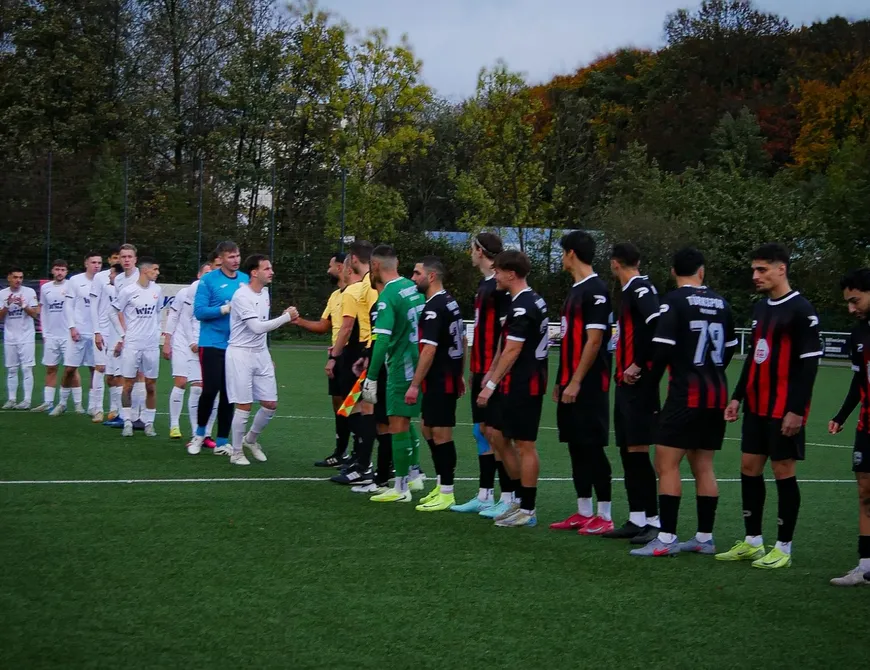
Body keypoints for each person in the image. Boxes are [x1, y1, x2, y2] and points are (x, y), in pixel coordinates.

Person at [717, 243, 822, 569]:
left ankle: (784, 547)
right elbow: (754, 358)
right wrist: (737, 396)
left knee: (782, 471)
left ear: (781, 269)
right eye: (754, 269)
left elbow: (809, 367)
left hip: (783, 409)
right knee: (749, 467)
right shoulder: (762, 308)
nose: (755, 276)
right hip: (757, 407)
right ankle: (753, 541)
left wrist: (796, 410)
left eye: (761, 269)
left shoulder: (802, 310)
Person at [629, 248, 738, 557]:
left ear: (674, 272)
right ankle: (704, 537)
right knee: (703, 465)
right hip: (715, 393)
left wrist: (648, 388)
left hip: (685, 395)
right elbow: (729, 350)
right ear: (701, 271)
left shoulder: (673, 302)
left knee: (666, 464)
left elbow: (661, 351)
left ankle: (666, 539)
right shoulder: (722, 303)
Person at [476, 250, 549, 528]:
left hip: (525, 383)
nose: (494, 275)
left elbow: (514, 349)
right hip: (513, 381)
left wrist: (491, 383)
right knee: (495, 433)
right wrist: (491, 374)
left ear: (511, 273)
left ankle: (527, 509)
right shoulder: (520, 301)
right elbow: (505, 344)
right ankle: (519, 499)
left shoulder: (524, 305)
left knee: (525, 444)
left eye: (498, 271)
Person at [550, 231, 614, 535]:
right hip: (570, 383)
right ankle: (583, 511)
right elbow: (569, 341)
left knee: (592, 447)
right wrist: (561, 381)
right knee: (575, 446)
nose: (562, 257)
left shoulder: (596, 290)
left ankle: (605, 514)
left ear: (572, 253)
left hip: (589, 385)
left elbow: (594, 340)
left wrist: (575, 381)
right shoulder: (576, 289)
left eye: (563, 252)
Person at [452, 232, 515, 516]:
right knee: (480, 431)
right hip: (480, 369)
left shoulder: (501, 286)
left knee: (496, 433)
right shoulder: (484, 284)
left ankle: (510, 496)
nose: (470, 252)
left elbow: (507, 332)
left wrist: (492, 373)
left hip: (494, 371)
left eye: (472, 248)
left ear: (480, 250)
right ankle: (485, 494)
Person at [604, 242, 661, 544]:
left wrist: (638, 364)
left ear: (615, 263)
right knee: (627, 450)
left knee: (638, 452)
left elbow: (657, 325)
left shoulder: (640, 289)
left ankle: (654, 519)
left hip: (640, 384)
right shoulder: (630, 291)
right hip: (625, 382)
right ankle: (637, 517)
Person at [360, 245, 426, 503]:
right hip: (419, 362)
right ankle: (414, 473)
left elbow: (382, 340)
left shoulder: (388, 296)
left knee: (397, 423)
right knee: (407, 420)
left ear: (375, 266)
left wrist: (372, 376)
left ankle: (400, 488)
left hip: (401, 367)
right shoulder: (413, 288)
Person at [408, 256, 465, 512]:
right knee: (428, 428)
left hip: (439, 377)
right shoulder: (449, 302)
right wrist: (460, 373)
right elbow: (462, 339)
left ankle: (447, 492)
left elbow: (428, 351)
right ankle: (442, 483)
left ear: (431, 277)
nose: (413, 278)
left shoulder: (433, 308)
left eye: (417, 273)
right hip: (445, 375)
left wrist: (414, 385)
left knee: (440, 434)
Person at [225, 255, 294, 466]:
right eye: (267, 268)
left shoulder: (265, 293)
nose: (271, 272)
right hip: (240, 354)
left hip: (260, 353)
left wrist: (267, 355)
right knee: (244, 405)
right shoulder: (241, 296)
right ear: (254, 272)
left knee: (270, 403)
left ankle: (250, 440)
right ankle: (236, 452)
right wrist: (286, 317)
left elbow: (261, 331)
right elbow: (255, 327)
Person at [289, 252, 352, 468]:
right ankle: (341, 452)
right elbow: (324, 326)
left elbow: (351, 326)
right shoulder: (335, 296)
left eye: (331, 265)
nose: (328, 269)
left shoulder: (357, 293)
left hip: (351, 354)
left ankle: (359, 455)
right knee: (339, 404)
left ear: (342, 267)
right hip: (337, 355)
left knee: (356, 405)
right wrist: (298, 321)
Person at [828, 268, 870, 586]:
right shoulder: (858, 334)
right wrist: (841, 416)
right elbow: (859, 381)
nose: (851, 308)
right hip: (867, 426)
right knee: (865, 492)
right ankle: (866, 566)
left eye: (855, 301)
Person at [188, 241, 249, 456]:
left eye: (238, 255)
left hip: (237, 345)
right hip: (212, 343)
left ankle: (223, 441)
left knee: (229, 394)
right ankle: (199, 434)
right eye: (230, 256)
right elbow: (199, 312)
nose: (235, 260)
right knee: (210, 389)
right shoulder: (208, 280)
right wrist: (225, 309)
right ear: (220, 258)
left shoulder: (245, 280)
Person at [328, 242, 381, 487]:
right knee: (367, 407)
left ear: (351, 262)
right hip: (369, 350)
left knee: (362, 408)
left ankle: (365, 464)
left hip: (364, 351)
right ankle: (365, 462)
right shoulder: (373, 286)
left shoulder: (359, 289)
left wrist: (336, 355)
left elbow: (351, 326)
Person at [111, 258, 164, 437]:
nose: (157, 273)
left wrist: (157, 334)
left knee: (151, 384)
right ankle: (127, 421)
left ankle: (149, 422)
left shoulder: (157, 290)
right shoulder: (128, 291)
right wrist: (123, 334)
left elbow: (158, 314)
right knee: (128, 384)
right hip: (132, 343)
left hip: (150, 345)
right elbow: (113, 312)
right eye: (155, 269)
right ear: (145, 271)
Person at [163, 263, 215, 441]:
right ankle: (174, 425)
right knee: (181, 382)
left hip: (201, 343)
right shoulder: (186, 293)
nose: (209, 276)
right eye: (206, 273)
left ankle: (198, 432)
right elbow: (176, 317)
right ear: (199, 274)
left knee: (199, 387)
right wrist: (167, 341)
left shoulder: (213, 295)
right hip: (182, 341)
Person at [51, 252, 102, 416]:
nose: (97, 265)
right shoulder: (76, 280)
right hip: (79, 332)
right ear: (86, 263)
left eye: (99, 263)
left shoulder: (105, 282)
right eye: (93, 262)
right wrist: (72, 327)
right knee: (69, 369)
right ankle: (62, 403)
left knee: (95, 370)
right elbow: (68, 305)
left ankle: (93, 406)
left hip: (96, 333)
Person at [111, 243, 146, 426]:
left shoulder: (142, 277)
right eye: (122, 257)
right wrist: (122, 336)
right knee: (126, 374)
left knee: (139, 374)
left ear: (135, 259)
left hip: (141, 334)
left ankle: (139, 416)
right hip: (126, 334)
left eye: (129, 257)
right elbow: (118, 310)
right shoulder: (118, 280)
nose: (125, 260)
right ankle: (127, 415)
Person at [88, 245, 121, 422]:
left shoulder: (129, 279)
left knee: (116, 372)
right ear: (110, 259)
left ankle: (115, 409)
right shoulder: (101, 278)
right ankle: (98, 408)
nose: (118, 260)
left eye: (121, 257)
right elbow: (93, 306)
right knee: (100, 368)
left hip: (118, 331)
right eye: (115, 257)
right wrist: (97, 331)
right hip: (103, 329)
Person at [32, 260, 70, 412]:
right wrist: (44, 331)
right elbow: (44, 311)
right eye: (57, 269)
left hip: (68, 334)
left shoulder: (71, 286)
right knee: (50, 368)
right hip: (51, 335)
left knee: (70, 370)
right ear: (52, 271)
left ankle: (69, 402)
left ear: (66, 272)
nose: (59, 272)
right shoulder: (45, 288)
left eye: (62, 270)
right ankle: (48, 402)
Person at [0, 266, 39, 409]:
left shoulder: (29, 292)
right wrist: (6, 305)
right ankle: (11, 399)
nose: (18, 280)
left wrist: (23, 305)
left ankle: (27, 400)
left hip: (27, 335)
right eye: (15, 277)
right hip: (10, 336)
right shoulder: (2, 293)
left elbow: (35, 314)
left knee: (27, 368)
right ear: (9, 278)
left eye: (20, 277)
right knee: (11, 369)